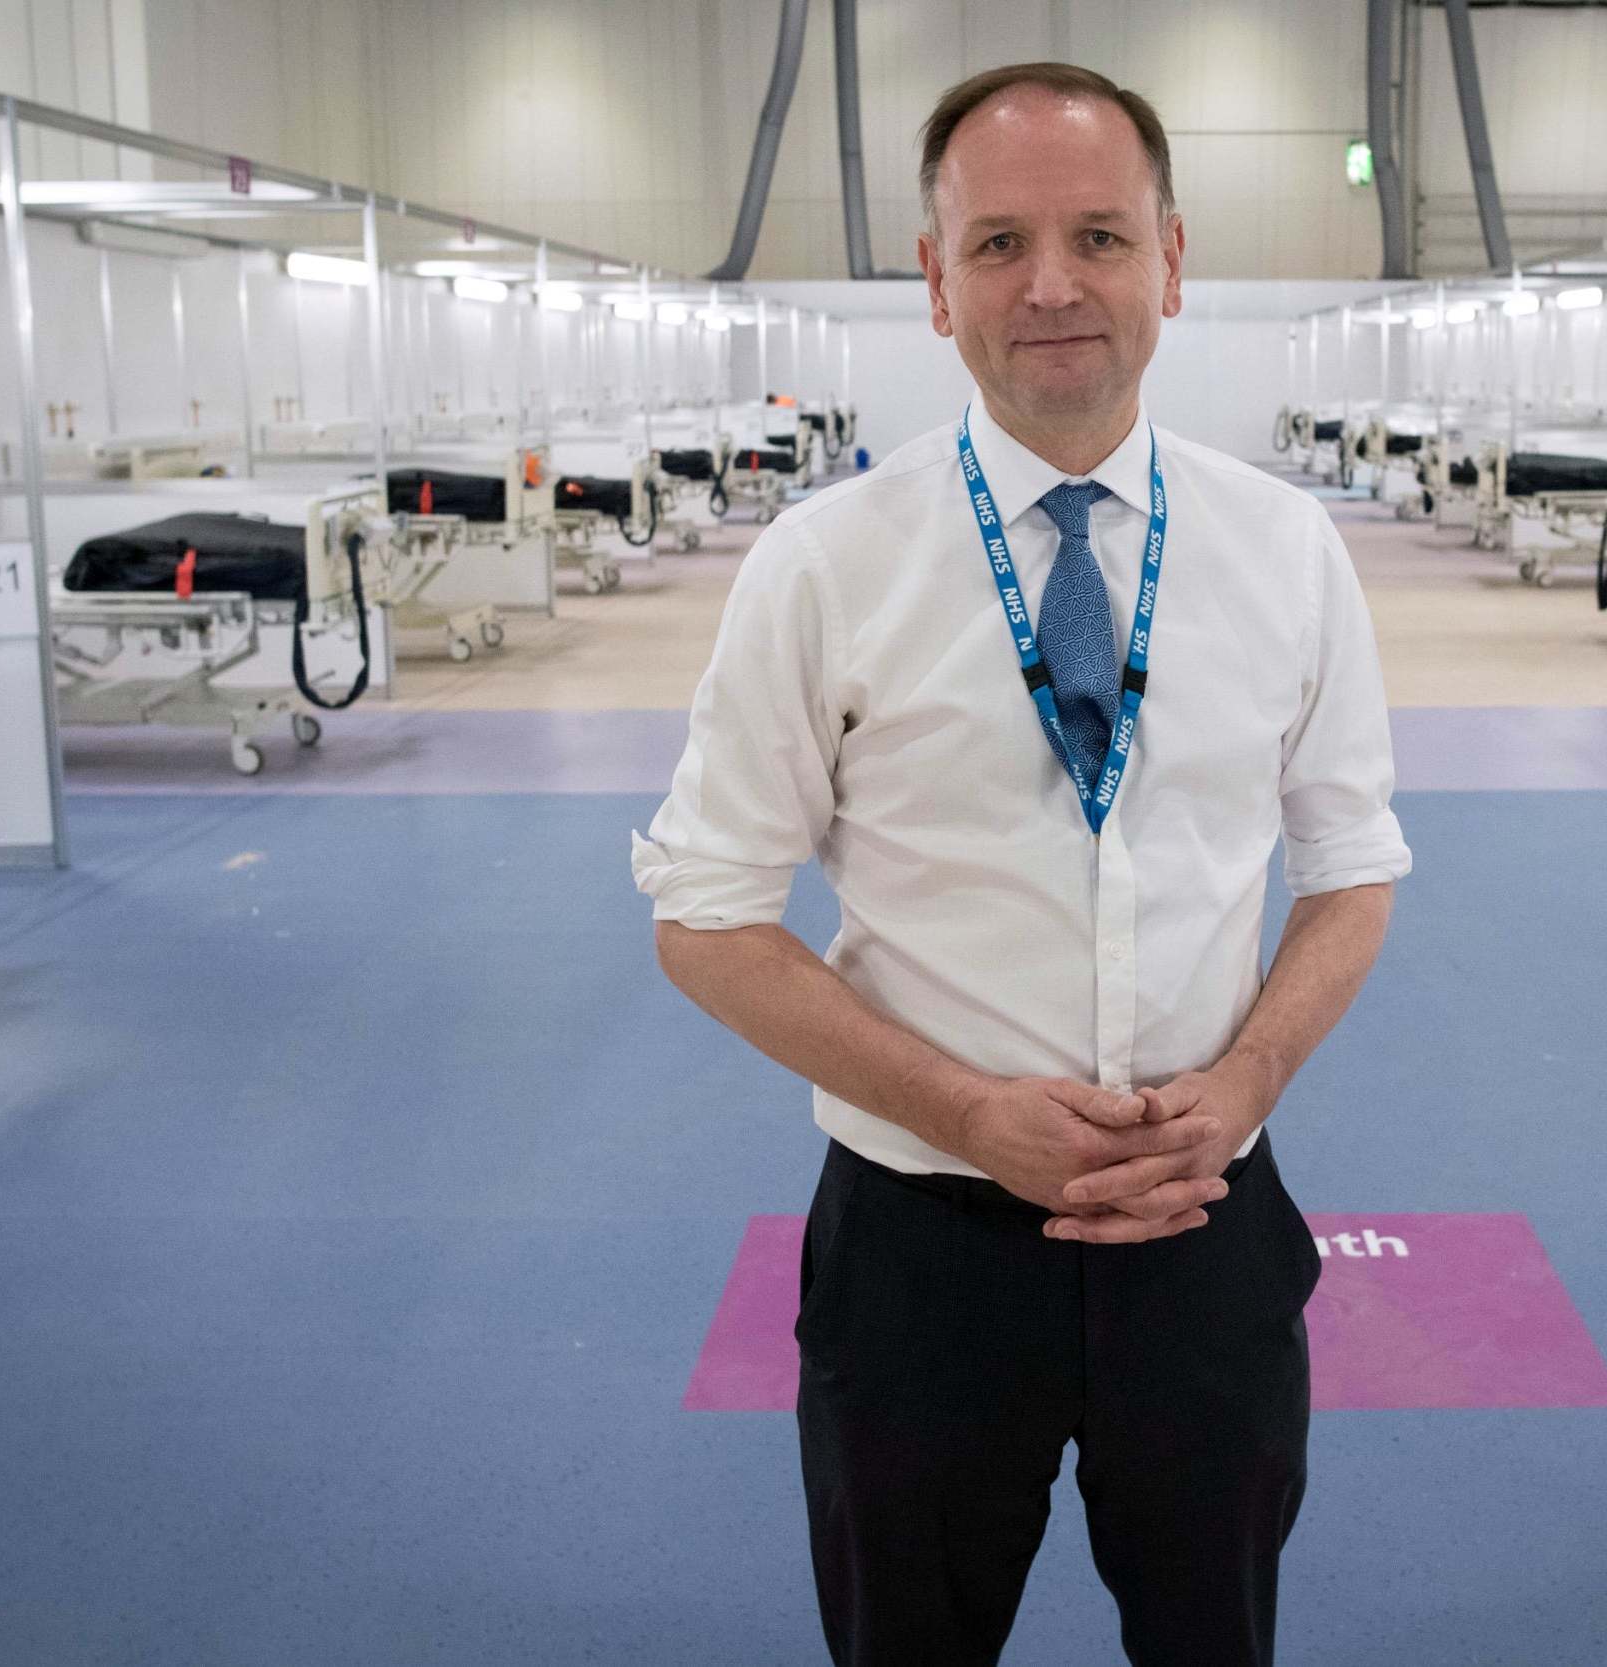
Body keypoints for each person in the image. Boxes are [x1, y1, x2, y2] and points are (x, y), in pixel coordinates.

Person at [632, 60, 1411, 1667]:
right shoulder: (824, 566)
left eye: (1099, 238)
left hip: (1204, 1231)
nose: (1050, 286)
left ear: (1173, 262)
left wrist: (1251, 1075)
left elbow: (1349, 867)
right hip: (922, 1252)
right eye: (995, 244)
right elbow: (705, 918)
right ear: (933, 282)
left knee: (1216, 1639)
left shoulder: (1283, 551)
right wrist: (970, 1115)